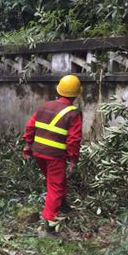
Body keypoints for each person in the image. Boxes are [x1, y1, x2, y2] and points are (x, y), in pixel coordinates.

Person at [22, 74, 83, 232]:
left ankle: (62, 205)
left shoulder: (45, 106)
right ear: (76, 94)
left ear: (59, 90)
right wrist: (73, 161)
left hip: (38, 153)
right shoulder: (74, 113)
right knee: (55, 186)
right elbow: (73, 140)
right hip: (55, 156)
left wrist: (28, 146)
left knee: (55, 181)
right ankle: (49, 223)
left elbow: (30, 127)